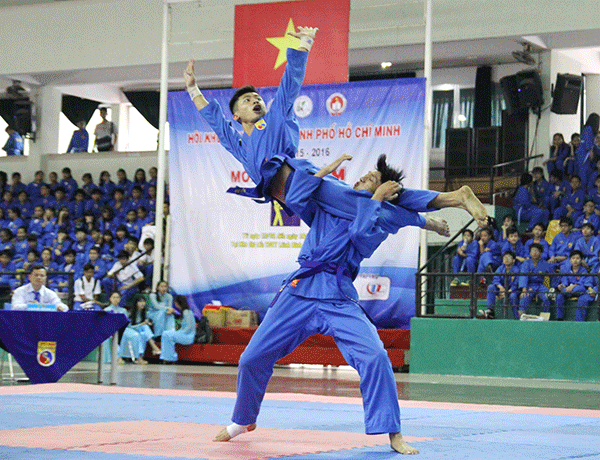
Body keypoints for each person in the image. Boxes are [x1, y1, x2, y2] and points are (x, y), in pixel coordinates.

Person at [212, 154, 424, 454]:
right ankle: (243, 420)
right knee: (251, 358)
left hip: (338, 297)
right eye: (364, 175)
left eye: (372, 179)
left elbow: (360, 235)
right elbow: (296, 197)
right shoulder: (327, 204)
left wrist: (382, 202)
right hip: (299, 291)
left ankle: (393, 433)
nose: (363, 178)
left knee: (376, 356)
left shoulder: (377, 221)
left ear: (385, 192)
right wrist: (324, 171)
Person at [184, 28, 488, 231]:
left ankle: (446, 205)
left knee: (369, 206)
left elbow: (289, 84)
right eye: (247, 100)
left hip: (309, 186)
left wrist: (303, 45)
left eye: (257, 97)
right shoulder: (238, 144)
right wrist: (193, 88)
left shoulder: (274, 120)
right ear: (237, 116)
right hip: (301, 204)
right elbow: (215, 122)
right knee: (362, 212)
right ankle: (438, 212)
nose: (254, 101)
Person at [555, 250, 595, 321]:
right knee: (559, 296)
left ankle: (579, 321)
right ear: (570, 260)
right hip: (568, 290)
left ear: (581, 260)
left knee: (580, 288)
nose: (575, 260)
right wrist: (563, 285)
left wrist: (572, 286)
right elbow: (564, 280)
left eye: (577, 258)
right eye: (573, 258)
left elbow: (582, 283)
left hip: (578, 290)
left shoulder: (584, 270)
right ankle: (560, 318)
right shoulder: (567, 270)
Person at [518, 243, 552, 319]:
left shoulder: (545, 263)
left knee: (546, 297)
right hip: (529, 285)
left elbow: (553, 275)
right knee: (524, 297)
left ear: (541, 253)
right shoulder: (526, 263)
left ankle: (545, 318)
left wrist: (553, 288)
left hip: (540, 286)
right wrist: (524, 289)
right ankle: (522, 317)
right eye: (533, 251)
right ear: (530, 253)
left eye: (537, 251)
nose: (535, 253)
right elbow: (524, 276)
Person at [159, 294, 196, 363]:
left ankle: (170, 357)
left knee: (166, 334)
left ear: (177, 303)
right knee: (167, 334)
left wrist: (180, 333)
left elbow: (189, 326)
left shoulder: (186, 312)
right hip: (186, 334)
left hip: (188, 336)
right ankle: (168, 357)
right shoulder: (185, 311)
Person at [484, 251, 520, 319]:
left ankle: (516, 317)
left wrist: (506, 292)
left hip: (512, 291)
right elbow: (495, 279)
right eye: (505, 258)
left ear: (513, 260)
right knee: (491, 287)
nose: (506, 259)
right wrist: (500, 287)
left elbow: (516, 284)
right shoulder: (500, 268)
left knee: (513, 296)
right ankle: (490, 311)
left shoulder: (516, 270)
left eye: (509, 257)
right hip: (502, 290)